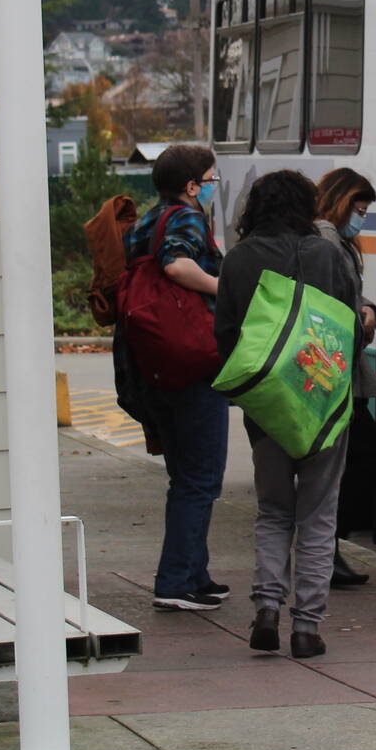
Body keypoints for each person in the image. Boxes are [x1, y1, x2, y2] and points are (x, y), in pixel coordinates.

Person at [216, 169, 359, 660]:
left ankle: (267, 608)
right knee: (318, 516)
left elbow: (225, 337)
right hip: (321, 404)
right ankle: (306, 627)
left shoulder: (237, 260)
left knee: (274, 511)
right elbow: (350, 328)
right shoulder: (328, 253)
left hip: (268, 406)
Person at [124, 145, 231, 613]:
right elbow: (177, 265)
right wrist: (225, 288)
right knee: (200, 478)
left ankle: (195, 573)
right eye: (209, 178)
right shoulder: (186, 218)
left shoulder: (148, 220)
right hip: (191, 360)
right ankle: (174, 582)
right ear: (192, 186)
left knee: (186, 475)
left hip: (153, 360)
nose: (212, 186)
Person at [313, 167, 376, 588]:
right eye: (359, 208)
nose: (361, 217)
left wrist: (368, 308)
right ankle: (328, 547)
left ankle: (330, 548)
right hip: (335, 372)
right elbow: (334, 298)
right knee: (360, 457)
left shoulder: (336, 239)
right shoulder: (326, 238)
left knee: (350, 461)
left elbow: (350, 294)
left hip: (343, 370)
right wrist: (361, 316)